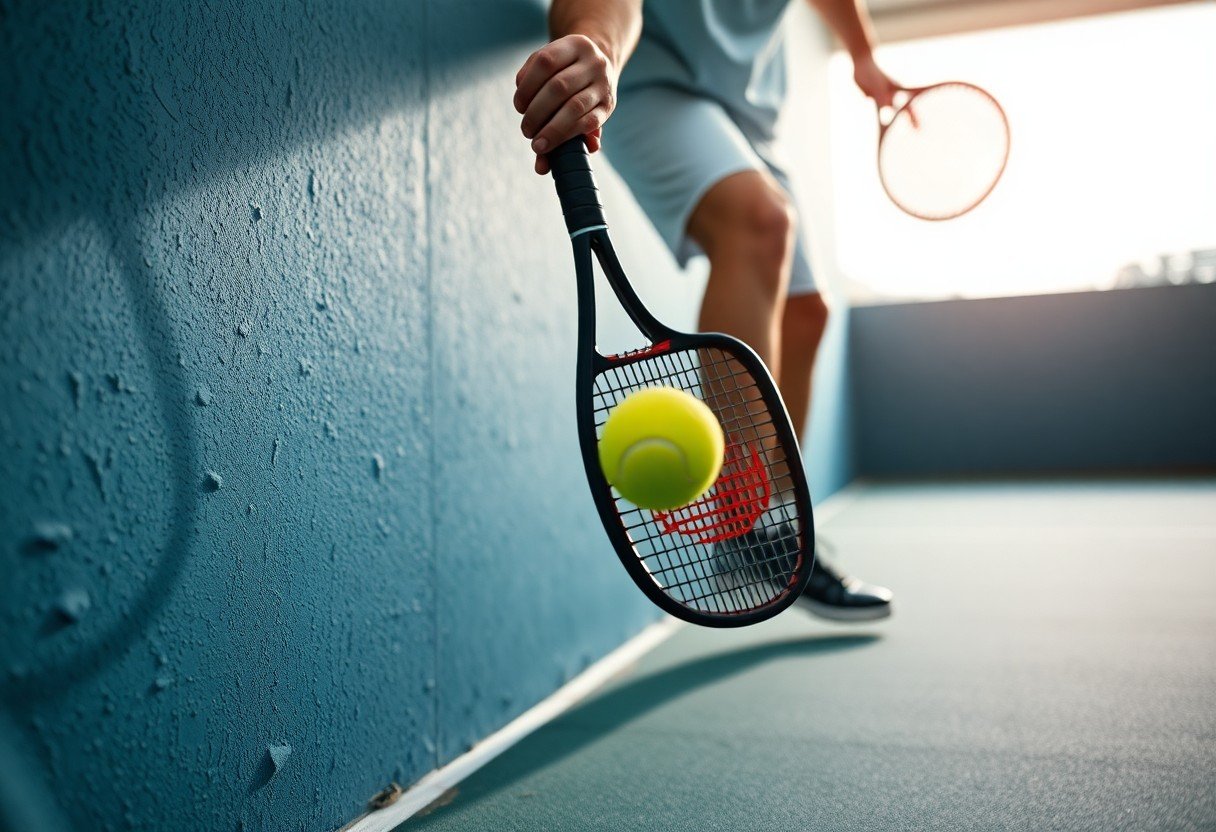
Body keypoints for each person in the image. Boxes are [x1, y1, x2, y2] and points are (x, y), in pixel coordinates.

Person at [514, 0, 894, 620]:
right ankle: (743, 523)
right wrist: (597, 47)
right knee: (760, 224)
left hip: (749, 110)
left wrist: (862, 53)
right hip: (652, 81)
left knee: (807, 312)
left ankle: (768, 528)